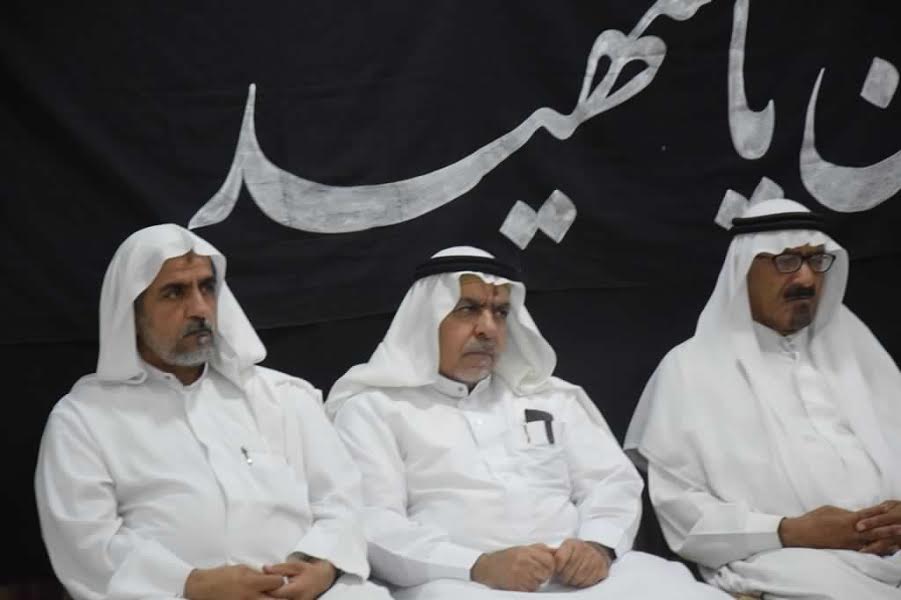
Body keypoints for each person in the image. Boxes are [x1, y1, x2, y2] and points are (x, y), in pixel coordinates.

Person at [326, 246, 729, 599]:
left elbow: (612, 482)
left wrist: (598, 546)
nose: (488, 328)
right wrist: (477, 565)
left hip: (581, 579)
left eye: (500, 312)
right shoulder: (374, 409)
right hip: (459, 584)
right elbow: (373, 523)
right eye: (467, 309)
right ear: (425, 319)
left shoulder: (549, 397)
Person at [35, 224, 391, 600]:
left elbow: (342, 500)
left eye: (206, 287)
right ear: (132, 312)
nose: (200, 309)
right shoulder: (84, 420)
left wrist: (321, 565)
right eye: (174, 293)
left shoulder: (283, 397)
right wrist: (191, 584)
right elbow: (86, 544)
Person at [625, 199, 901, 598]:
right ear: (744, 270)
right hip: (789, 558)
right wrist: (790, 531)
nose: (806, 277)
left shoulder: (858, 350)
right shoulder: (691, 369)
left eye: (816, 260)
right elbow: (684, 515)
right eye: (786, 261)